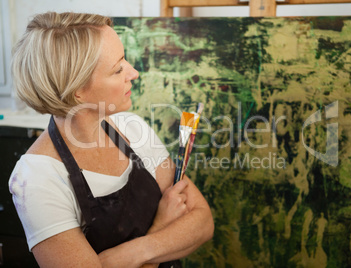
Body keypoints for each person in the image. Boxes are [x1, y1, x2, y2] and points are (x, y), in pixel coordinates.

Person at [9, 12, 214, 268]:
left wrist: (127, 256)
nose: (134, 73)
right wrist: (162, 228)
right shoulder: (37, 179)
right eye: (118, 69)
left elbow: (202, 221)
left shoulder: (132, 127)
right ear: (78, 92)